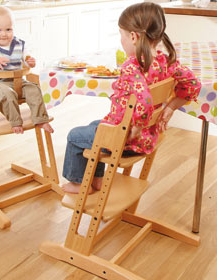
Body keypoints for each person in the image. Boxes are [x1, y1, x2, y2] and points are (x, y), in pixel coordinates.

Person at [62, 2, 201, 194]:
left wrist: (136, 128)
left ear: (133, 37)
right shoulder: (167, 62)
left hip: (128, 140)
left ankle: (77, 183)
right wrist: (170, 108)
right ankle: (99, 179)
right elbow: (193, 84)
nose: (121, 40)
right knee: (97, 124)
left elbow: (144, 102)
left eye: (122, 35)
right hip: (148, 137)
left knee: (75, 135)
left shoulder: (132, 67)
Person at [0, 6, 53, 134]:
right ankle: (15, 121)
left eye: (8, 29)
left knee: (35, 90)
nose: (4, 34)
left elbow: (26, 58)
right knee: (6, 94)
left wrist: (29, 61)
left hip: (18, 82)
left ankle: (41, 119)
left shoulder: (19, 44)